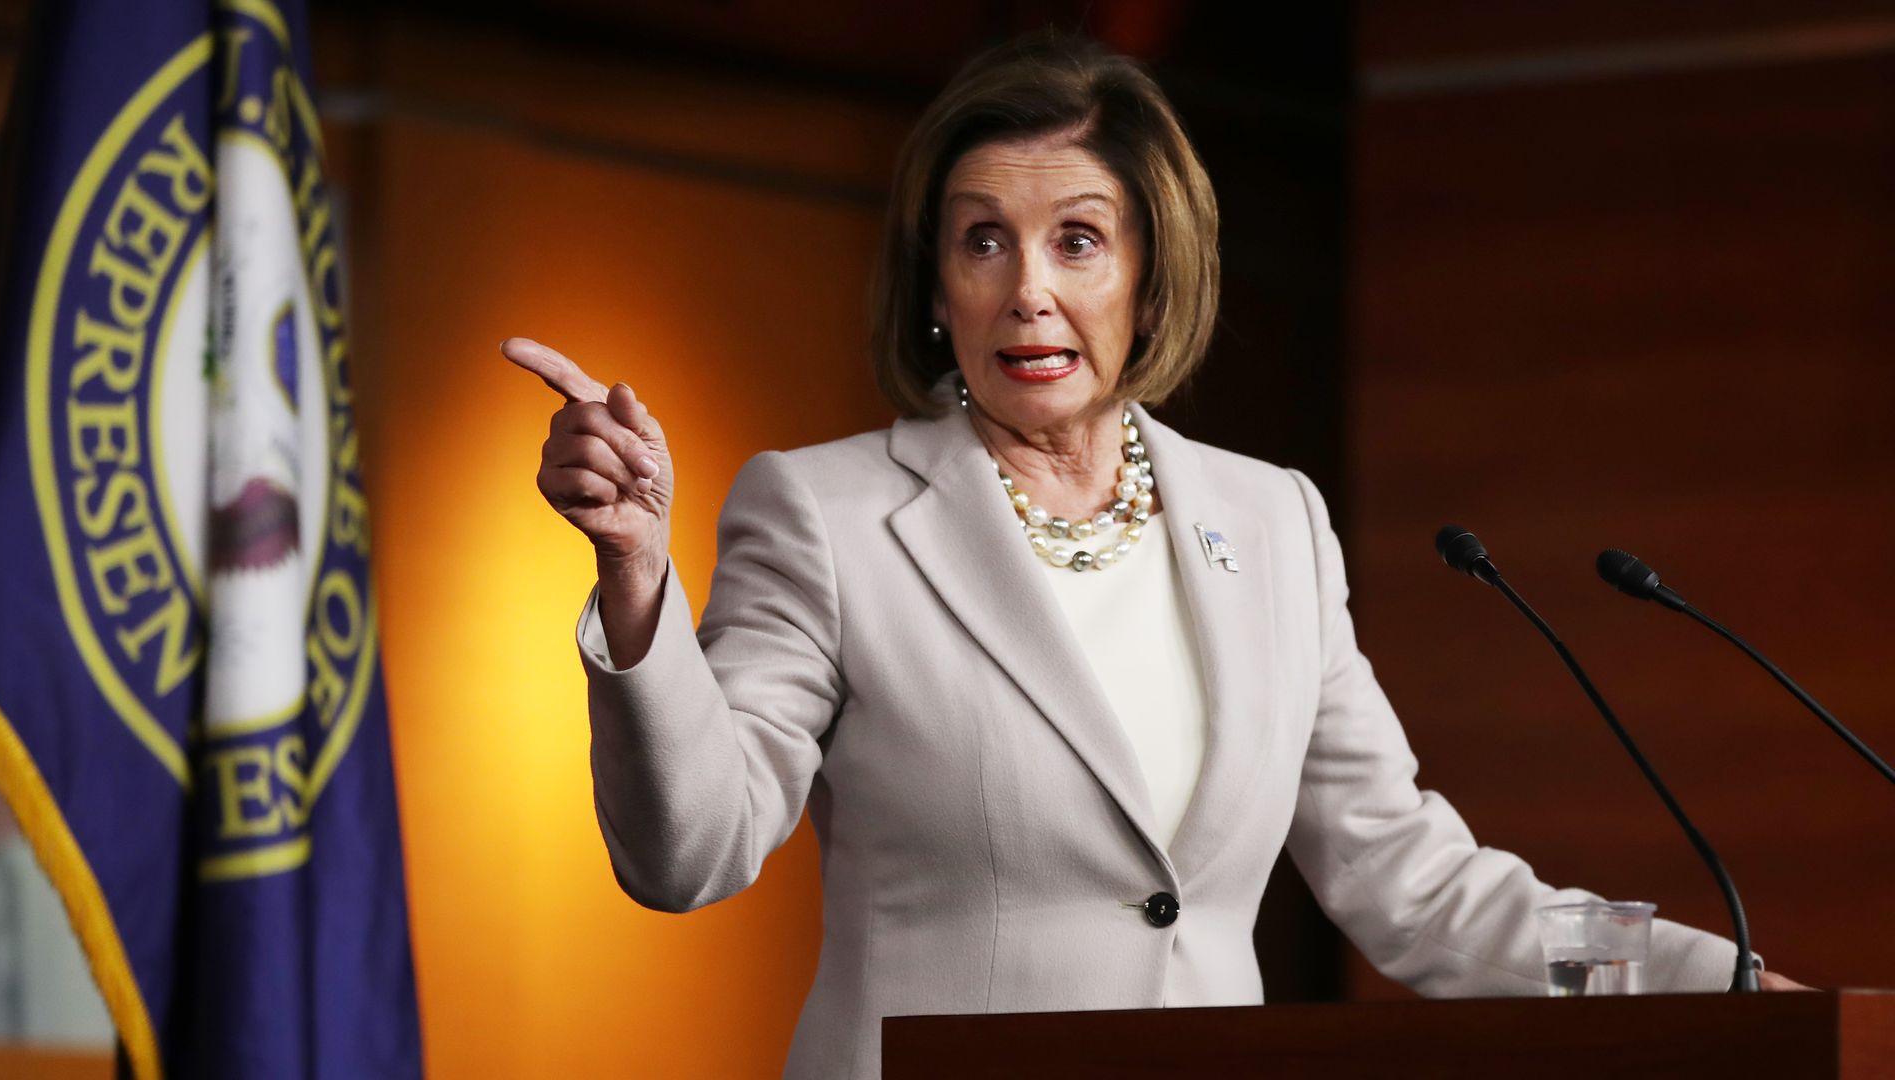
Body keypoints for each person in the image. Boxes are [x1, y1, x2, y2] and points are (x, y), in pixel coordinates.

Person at [504, 32, 1803, 1080]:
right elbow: (691, 850)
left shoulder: (1275, 522)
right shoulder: (829, 515)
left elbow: (1420, 885)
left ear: (1151, 271)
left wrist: (1734, 989)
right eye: (981, 240)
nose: (1029, 290)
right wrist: (634, 584)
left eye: (1078, 238)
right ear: (933, 288)